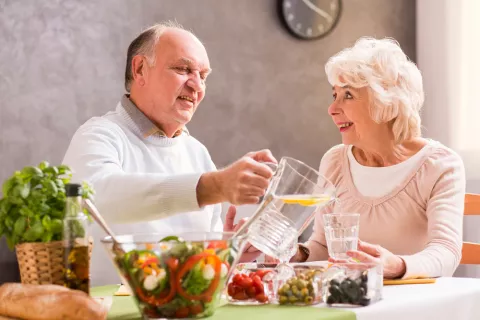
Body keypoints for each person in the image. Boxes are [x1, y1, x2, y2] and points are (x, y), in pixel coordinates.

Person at [63, 21, 275, 284]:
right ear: (140, 69)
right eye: (183, 69)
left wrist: (228, 249)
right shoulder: (99, 134)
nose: (197, 86)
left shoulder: (197, 151)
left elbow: (202, 261)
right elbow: (96, 199)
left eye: (204, 75)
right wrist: (213, 186)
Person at [288, 37, 466, 279]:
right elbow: (323, 246)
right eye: (334, 95)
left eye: (348, 95)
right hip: (353, 301)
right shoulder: (334, 161)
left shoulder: (440, 166)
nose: (332, 109)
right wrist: (294, 253)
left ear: (386, 101)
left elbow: (446, 252)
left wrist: (396, 265)